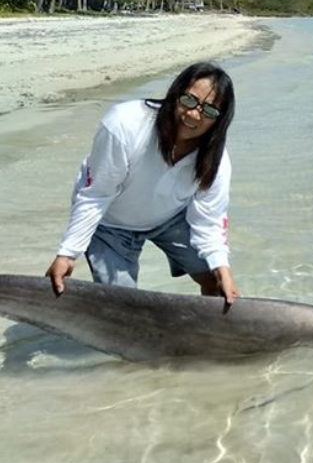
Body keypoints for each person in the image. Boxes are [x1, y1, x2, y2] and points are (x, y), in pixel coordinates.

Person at [45, 62, 240, 305]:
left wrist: (223, 268)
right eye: (189, 101)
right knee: (124, 305)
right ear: (175, 92)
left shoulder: (215, 160)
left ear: (218, 121)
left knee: (215, 280)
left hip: (170, 217)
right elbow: (96, 195)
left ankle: (211, 339)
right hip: (110, 223)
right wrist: (68, 253)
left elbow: (209, 221)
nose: (193, 115)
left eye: (209, 111)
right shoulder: (124, 124)